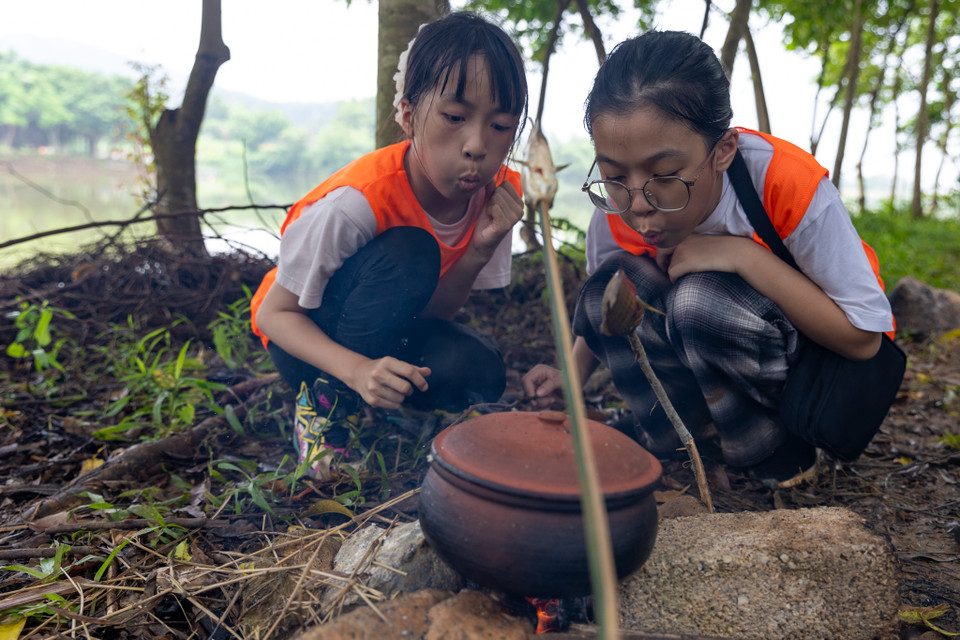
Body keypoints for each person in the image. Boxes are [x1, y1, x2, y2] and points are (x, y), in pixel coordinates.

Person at [522, 30, 895, 486]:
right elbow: (613, 308)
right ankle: (680, 446)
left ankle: (770, 450)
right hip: (701, 353)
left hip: (801, 369)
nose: (639, 202)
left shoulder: (784, 185)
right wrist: (572, 376)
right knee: (605, 287)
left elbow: (864, 339)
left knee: (698, 301)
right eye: (614, 173)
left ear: (723, 150)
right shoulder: (620, 205)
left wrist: (741, 255)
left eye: (664, 174)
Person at [251, 11, 528, 478]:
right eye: (454, 117)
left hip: (387, 329)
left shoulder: (498, 198)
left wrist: (480, 248)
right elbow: (273, 315)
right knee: (410, 251)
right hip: (305, 334)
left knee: (479, 371)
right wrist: (357, 369)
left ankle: (385, 407)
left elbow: (433, 314)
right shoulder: (357, 203)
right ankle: (324, 411)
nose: (477, 145)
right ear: (406, 113)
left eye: (500, 125)